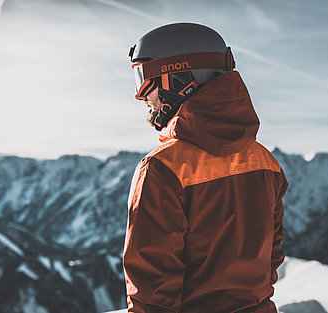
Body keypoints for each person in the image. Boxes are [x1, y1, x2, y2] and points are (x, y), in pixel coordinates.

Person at [123, 23, 288, 313]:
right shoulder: (266, 162)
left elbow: (152, 285)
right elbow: (271, 255)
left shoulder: (162, 168)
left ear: (180, 78)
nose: (142, 96)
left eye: (144, 78)